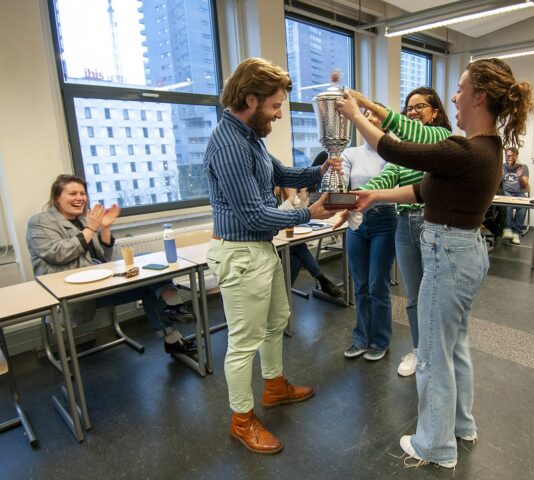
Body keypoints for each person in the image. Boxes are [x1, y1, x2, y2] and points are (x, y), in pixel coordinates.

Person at [337, 58, 534, 468]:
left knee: (431, 355)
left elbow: (392, 146)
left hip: (448, 256)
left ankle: (435, 446)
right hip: (464, 252)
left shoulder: (464, 149)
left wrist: (357, 115)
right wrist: (374, 196)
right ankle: (461, 425)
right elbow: (423, 191)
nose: (454, 97)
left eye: (461, 89)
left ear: (480, 96)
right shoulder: (487, 148)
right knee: (453, 348)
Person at [203, 57, 337, 455]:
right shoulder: (228, 144)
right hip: (241, 251)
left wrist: (321, 170)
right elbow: (254, 214)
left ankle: (275, 387)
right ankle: (241, 420)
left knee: (277, 320)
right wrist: (308, 214)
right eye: (276, 106)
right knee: (243, 343)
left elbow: (280, 176)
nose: (279, 114)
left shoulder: (248, 137)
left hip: (259, 249)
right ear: (251, 99)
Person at [26, 174, 197, 355]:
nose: (80, 198)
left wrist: (105, 228)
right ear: (56, 197)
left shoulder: (85, 220)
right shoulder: (40, 221)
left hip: (103, 282)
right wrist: (91, 229)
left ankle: (173, 334)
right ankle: (175, 305)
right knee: (152, 284)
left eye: (82, 193)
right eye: (72, 193)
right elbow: (58, 254)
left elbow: (110, 259)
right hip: (75, 293)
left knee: (150, 263)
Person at [355, 87, 452, 376]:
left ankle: (440, 354)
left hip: (433, 222)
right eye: (408, 107)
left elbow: (414, 131)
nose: (412, 112)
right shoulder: (405, 151)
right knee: (413, 296)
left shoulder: (440, 138)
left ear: (435, 112)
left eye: (419, 106)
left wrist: (363, 104)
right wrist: (356, 195)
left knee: (437, 294)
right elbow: (388, 176)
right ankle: (420, 350)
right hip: (404, 224)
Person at [341, 107, 397, 362]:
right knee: (361, 285)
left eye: (375, 116)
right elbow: (342, 183)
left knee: (378, 285)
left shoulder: (392, 151)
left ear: (384, 124)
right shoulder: (350, 152)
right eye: (364, 114)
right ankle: (361, 339)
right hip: (356, 223)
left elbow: (389, 185)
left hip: (384, 220)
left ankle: (380, 340)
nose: (369, 118)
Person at [276, 187, 343, 297]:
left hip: (285, 237)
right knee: (297, 247)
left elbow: (299, 210)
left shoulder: (284, 190)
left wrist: (299, 198)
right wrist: (291, 199)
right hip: (270, 241)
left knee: (296, 256)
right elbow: (278, 216)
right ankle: (322, 279)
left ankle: (283, 296)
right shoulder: (266, 195)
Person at [500, 146, 530, 245]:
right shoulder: (502, 166)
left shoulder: (523, 167)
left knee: (524, 205)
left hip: (518, 192)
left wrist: (521, 176)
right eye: (507, 155)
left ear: (516, 156)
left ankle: (516, 232)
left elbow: (525, 186)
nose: (509, 157)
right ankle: (507, 228)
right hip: (506, 192)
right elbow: (497, 182)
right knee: (508, 201)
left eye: (512, 156)